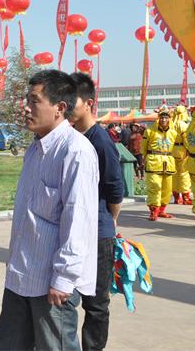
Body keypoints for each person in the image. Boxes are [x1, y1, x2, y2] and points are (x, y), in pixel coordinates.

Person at [0, 70, 99, 351]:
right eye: (26, 100)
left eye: (34, 101)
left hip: (53, 286)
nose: (26, 108)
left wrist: (64, 279)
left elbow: (79, 221)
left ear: (60, 108)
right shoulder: (35, 150)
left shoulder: (76, 152)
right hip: (21, 276)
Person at [69, 73, 123, 351]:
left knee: (96, 304)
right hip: (73, 232)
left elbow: (115, 187)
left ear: (89, 103)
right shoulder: (71, 137)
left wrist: (110, 221)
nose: (65, 106)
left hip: (98, 235)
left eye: (71, 100)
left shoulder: (100, 140)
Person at [142, 107, 177, 221]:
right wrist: (145, 158)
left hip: (168, 162)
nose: (163, 119)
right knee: (154, 187)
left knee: (167, 189)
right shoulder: (150, 131)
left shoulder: (173, 132)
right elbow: (143, 147)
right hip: (153, 161)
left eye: (166, 117)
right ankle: (154, 211)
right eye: (161, 117)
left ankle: (161, 210)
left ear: (169, 119)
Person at [171, 104, 193, 205]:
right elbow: (186, 140)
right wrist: (190, 150)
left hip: (172, 151)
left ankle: (176, 198)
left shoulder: (170, 124)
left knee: (174, 175)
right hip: (182, 151)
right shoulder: (183, 125)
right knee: (184, 174)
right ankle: (186, 198)